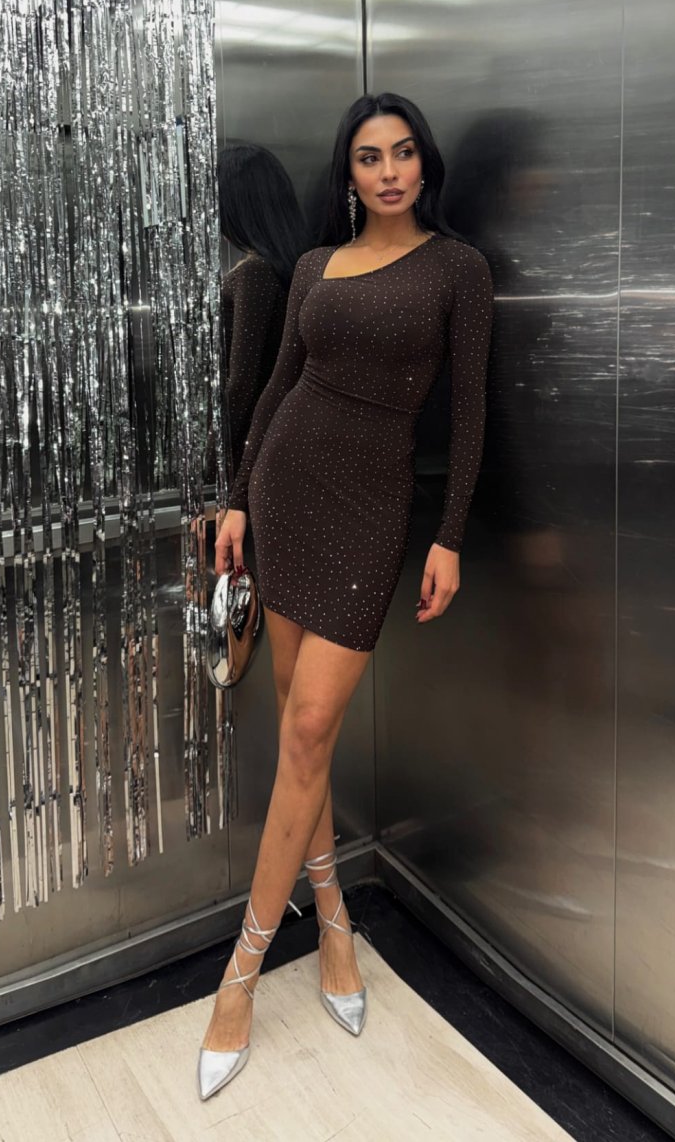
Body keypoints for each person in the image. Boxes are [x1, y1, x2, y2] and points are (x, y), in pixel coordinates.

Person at [198, 93, 494, 1100]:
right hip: (289, 485)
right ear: (349, 174)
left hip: (370, 506)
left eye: (404, 152)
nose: (390, 170)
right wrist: (239, 500)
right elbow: (277, 387)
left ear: (425, 163)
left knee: (310, 728)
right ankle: (331, 921)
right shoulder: (316, 266)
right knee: (302, 733)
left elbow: (468, 413)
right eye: (370, 157)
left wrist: (449, 534)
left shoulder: (457, 269)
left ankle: (238, 979)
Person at [218, 142, 305, 482]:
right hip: (275, 440)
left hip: (251, 450)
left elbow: (242, 381)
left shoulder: (255, 272)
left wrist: (209, 463)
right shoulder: (285, 268)